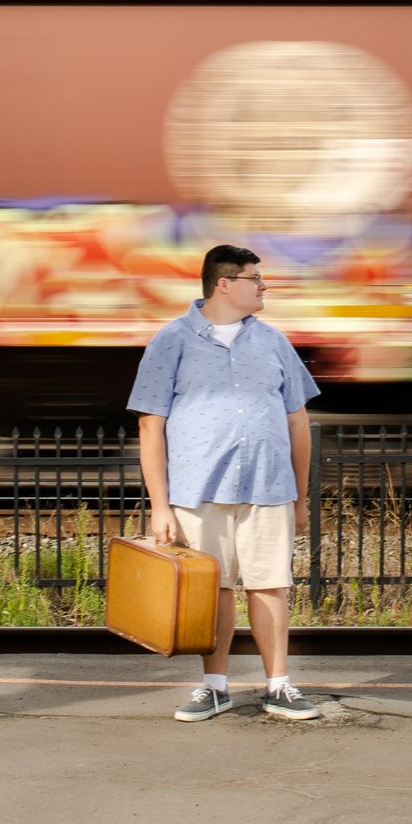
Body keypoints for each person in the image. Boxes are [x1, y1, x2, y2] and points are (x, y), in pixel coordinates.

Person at [126, 243, 322, 721]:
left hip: (268, 487)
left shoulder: (274, 341)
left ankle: (279, 685)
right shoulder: (170, 341)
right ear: (224, 284)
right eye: (256, 278)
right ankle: (214, 687)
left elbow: (298, 421)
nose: (264, 286)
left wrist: (299, 499)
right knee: (212, 590)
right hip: (198, 488)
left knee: (272, 585)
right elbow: (150, 425)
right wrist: (161, 506)